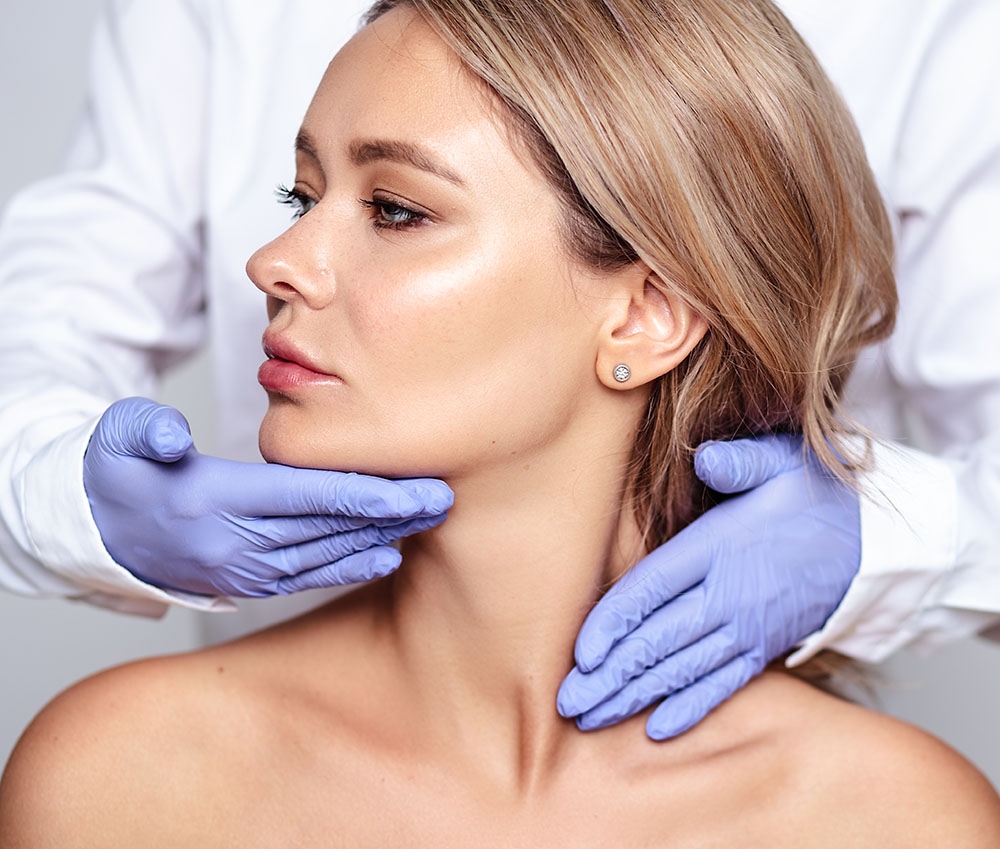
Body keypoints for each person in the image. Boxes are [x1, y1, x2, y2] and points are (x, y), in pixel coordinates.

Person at [2, 1, 999, 844]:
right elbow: (60, 290)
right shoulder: (126, 782)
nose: (273, 261)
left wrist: (889, 536)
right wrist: (60, 489)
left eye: (395, 209)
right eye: (295, 194)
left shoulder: (892, 819)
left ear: (647, 312)